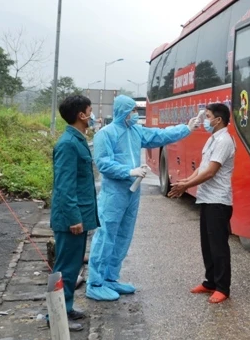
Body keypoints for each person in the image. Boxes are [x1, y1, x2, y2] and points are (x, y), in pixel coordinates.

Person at [86, 95, 199, 301]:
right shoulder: (105, 134)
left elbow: (159, 135)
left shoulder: (135, 131)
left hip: (132, 193)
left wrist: (186, 128)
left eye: (136, 111)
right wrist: (128, 171)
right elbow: (103, 163)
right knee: (106, 236)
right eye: (132, 111)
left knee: (123, 236)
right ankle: (95, 283)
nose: (135, 115)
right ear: (122, 112)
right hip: (114, 194)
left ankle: (111, 278)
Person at [168, 103, 235, 304]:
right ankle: (210, 282)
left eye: (207, 116)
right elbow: (202, 167)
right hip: (207, 198)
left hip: (218, 200)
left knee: (218, 246)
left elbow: (211, 171)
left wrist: (185, 186)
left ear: (218, 120)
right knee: (207, 245)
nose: (204, 121)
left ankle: (223, 287)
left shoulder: (224, 141)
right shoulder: (212, 139)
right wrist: (186, 182)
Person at [50, 94, 98, 331]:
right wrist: (74, 218)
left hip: (78, 216)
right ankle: (56, 317)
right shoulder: (68, 144)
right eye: (90, 110)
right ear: (81, 115)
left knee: (71, 268)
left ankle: (66, 307)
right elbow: (64, 186)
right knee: (65, 268)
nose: (93, 115)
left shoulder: (77, 139)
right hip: (71, 219)